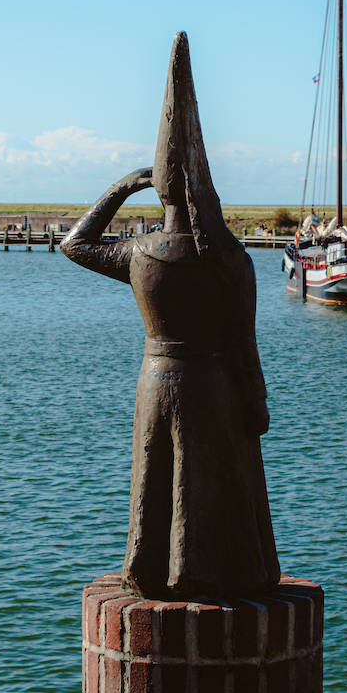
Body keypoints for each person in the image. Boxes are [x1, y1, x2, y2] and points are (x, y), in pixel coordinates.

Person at [62, 33, 280, 601]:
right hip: (215, 385)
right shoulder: (230, 259)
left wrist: (121, 187)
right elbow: (244, 343)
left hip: (156, 384)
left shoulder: (142, 255)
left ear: (159, 188)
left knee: (160, 481)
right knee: (218, 483)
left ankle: (154, 568)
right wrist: (256, 403)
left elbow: (75, 244)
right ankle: (227, 571)